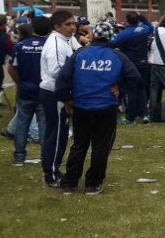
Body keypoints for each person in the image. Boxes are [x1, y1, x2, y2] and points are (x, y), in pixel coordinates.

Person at [55, 22, 141, 195]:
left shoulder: (80, 54)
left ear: (93, 35)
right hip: (106, 106)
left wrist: (67, 100)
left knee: (79, 145)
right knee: (101, 146)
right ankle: (92, 184)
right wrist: (121, 88)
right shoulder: (118, 56)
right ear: (110, 37)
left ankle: (70, 183)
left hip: (81, 106)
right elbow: (135, 77)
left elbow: (62, 78)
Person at [39, 10, 75, 187]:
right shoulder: (55, 43)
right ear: (57, 26)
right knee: (56, 133)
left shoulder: (63, 41)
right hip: (55, 92)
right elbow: (56, 70)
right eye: (68, 24)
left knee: (60, 133)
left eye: (73, 23)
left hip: (58, 91)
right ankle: (51, 174)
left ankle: (53, 169)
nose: (72, 27)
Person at [5, 19, 48, 166]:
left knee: (22, 125)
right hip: (44, 91)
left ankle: (19, 158)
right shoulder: (49, 45)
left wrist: (19, 82)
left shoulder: (20, 46)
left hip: (25, 91)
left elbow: (11, 68)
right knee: (44, 125)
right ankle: (46, 157)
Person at [110, 12, 153, 124]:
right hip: (144, 63)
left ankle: (130, 117)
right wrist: (142, 16)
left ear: (127, 20)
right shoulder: (144, 29)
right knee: (142, 90)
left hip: (130, 65)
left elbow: (113, 44)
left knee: (131, 91)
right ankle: (144, 114)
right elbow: (150, 25)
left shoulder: (125, 33)